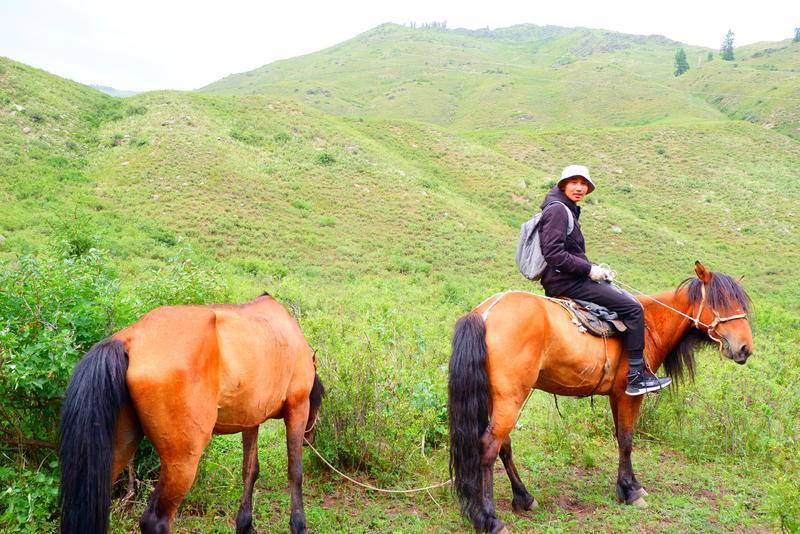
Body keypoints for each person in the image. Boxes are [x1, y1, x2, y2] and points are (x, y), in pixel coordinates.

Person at [538, 164, 671, 395]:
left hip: (565, 278)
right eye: (574, 183)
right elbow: (553, 253)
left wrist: (595, 270)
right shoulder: (558, 210)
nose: (579, 188)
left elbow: (567, 252)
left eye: (583, 184)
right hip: (566, 281)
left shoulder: (565, 208)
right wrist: (589, 270)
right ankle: (636, 377)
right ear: (563, 185)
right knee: (633, 308)